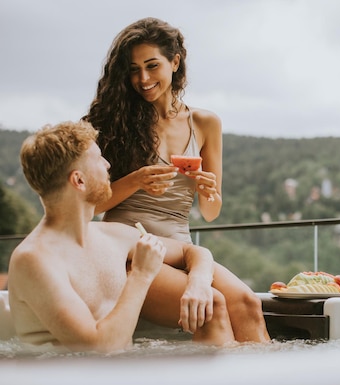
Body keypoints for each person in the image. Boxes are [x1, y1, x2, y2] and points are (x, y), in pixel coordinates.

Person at [83, 18, 269, 343]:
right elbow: (87, 209)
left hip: (182, 248)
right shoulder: (112, 123)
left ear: (175, 62)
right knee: (216, 307)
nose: (143, 78)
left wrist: (208, 190)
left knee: (249, 303)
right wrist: (136, 181)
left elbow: (211, 212)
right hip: (129, 251)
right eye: (133, 69)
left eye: (152, 66)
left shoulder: (205, 123)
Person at [8, 121, 266, 352]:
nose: (108, 164)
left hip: (123, 373)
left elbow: (195, 252)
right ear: (79, 180)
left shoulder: (111, 236)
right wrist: (142, 274)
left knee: (210, 304)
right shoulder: (35, 260)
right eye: (99, 159)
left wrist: (198, 283)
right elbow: (97, 350)